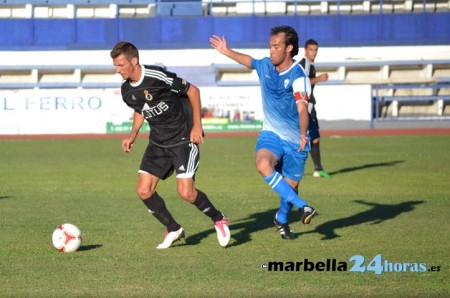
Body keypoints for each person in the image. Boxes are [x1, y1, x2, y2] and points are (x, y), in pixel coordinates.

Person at [110, 41, 230, 249]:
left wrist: (196, 126)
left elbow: (193, 91)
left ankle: (218, 218)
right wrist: (132, 135)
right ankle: (174, 228)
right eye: (116, 66)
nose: (117, 70)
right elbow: (141, 109)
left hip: (183, 139)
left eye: (120, 65)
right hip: (158, 143)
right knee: (144, 190)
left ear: (134, 61)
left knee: (186, 193)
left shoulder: (157, 76)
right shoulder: (126, 90)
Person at [210, 26, 316, 240]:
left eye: (276, 47)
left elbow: (302, 109)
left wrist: (303, 133)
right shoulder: (266, 65)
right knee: (263, 164)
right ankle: (303, 206)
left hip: (297, 140)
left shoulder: (298, 76)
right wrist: (226, 51)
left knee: (290, 188)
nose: (271, 51)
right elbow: (249, 61)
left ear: (289, 48)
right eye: (270, 46)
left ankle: (282, 219)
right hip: (271, 134)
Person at [299, 39, 331, 178]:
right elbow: (303, 81)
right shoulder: (304, 63)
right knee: (309, 136)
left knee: (314, 137)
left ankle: (318, 167)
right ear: (305, 50)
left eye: (315, 50)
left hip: (310, 103)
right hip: (307, 104)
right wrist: (319, 78)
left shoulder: (310, 64)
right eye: (311, 50)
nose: (314, 52)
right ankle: (316, 168)